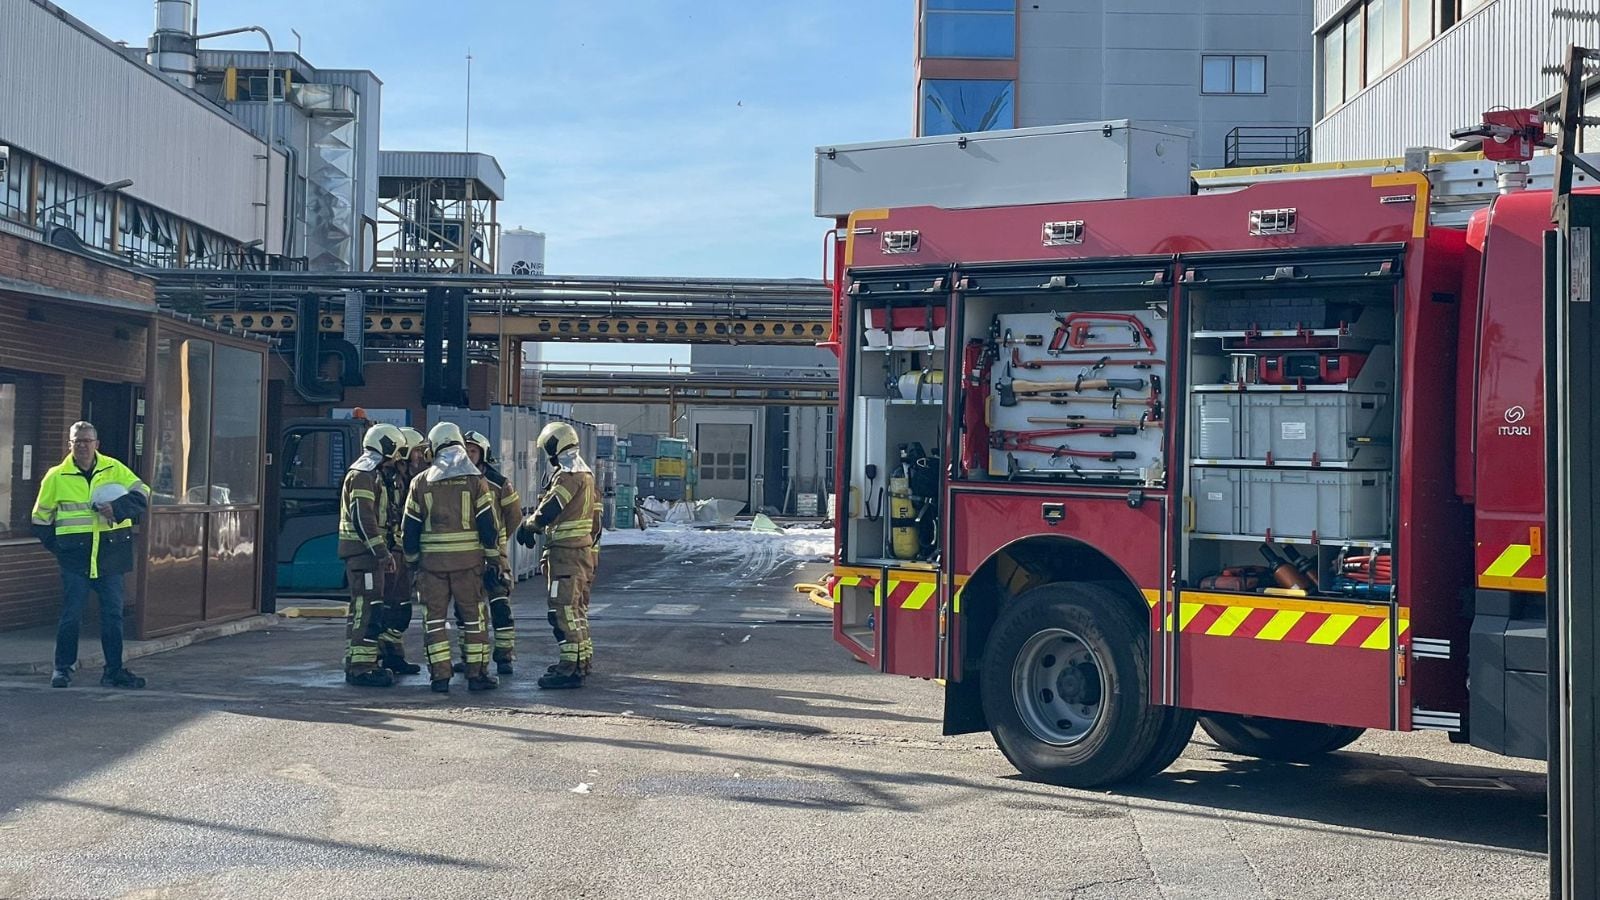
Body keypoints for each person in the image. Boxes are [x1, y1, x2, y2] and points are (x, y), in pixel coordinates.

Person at [31, 421, 151, 689]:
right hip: (75, 559)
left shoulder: (114, 467)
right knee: (71, 615)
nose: (83, 445)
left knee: (112, 615)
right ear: (69, 445)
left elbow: (143, 493)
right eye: (77, 441)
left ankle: (113, 671)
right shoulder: (56, 476)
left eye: (87, 440)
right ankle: (62, 669)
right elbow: (40, 520)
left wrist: (118, 508)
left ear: (97, 444)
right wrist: (60, 548)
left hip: (110, 555)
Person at [403, 422, 502, 693]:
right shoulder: (475, 482)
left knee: (433, 621)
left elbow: (409, 529)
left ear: (434, 448)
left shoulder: (420, 483)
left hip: (431, 567)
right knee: (473, 619)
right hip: (468, 566)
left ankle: (440, 676)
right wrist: (493, 559)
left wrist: (412, 561)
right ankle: (477, 674)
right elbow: (489, 526)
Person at [517, 422, 601, 690]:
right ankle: (581, 661)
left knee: (562, 610)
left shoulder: (568, 476)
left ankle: (569, 669)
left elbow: (552, 507)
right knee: (576, 611)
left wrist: (530, 525)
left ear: (555, 447)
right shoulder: (586, 474)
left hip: (565, 554)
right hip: (580, 552)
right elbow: (596, 521)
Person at [338, 423, 407, 687]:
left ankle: (368, 662)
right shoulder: (363, 474)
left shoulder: (375, 474)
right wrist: (380, 551)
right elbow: (362, 516)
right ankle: (360, 667)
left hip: (370, 553)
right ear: (386, 445)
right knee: (365, 608)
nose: (398, 457)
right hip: (363, 554)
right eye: (396, 450)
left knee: (373, 607)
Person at [464, 430, 522, 675]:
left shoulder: (499, 482)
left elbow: (514, 515)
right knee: (467, 608)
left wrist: (499, 542)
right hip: (468, 554)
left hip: (494, 556)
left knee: (500, 604)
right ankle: (471, 657)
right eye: (465, 450)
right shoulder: (459, 480)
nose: (468, 454)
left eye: (473, 451)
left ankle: (504, 655)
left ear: (484, 454)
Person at [376, 426, 427, 676]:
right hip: (391, 552)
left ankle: (394, 655)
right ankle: (379, 653)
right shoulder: (387, 479)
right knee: (388, 606)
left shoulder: (404, 479)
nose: (421, 457)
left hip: (401, 551)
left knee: (401, 606)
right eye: (417, 452)